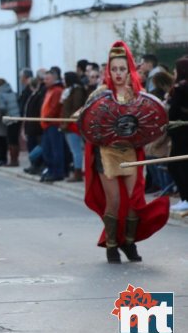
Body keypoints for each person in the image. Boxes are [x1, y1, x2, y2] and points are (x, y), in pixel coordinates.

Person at [82, 41, 169, 264]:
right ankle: (112, 245)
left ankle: (129, 242)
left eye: (122, 69)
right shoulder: (100, 94)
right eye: (114, 69)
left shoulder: (137, 95)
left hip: (130, 152)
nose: (118, 73)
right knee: (114, 201)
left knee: (133, 201)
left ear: (128, 69)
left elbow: (150, 121)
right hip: (107, 153)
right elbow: (84, 119)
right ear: (108, 71)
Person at [168, 57, 188, 212]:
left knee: (176, 165)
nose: (173, 73)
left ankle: (186, 198)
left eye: (175, 70)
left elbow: (173, 112)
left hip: (182, 133)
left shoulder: (180, 89)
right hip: (182, 133)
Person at [60, 72, 89, 182]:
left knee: (76, 150)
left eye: (65, 79)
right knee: (74, 150)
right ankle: (76, 171)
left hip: (72, 124)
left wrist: (67, 122)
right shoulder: (70, 90)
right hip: (67, 123)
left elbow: (76, 107)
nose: (63, 81)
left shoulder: (77, 90)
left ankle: (78, 173)